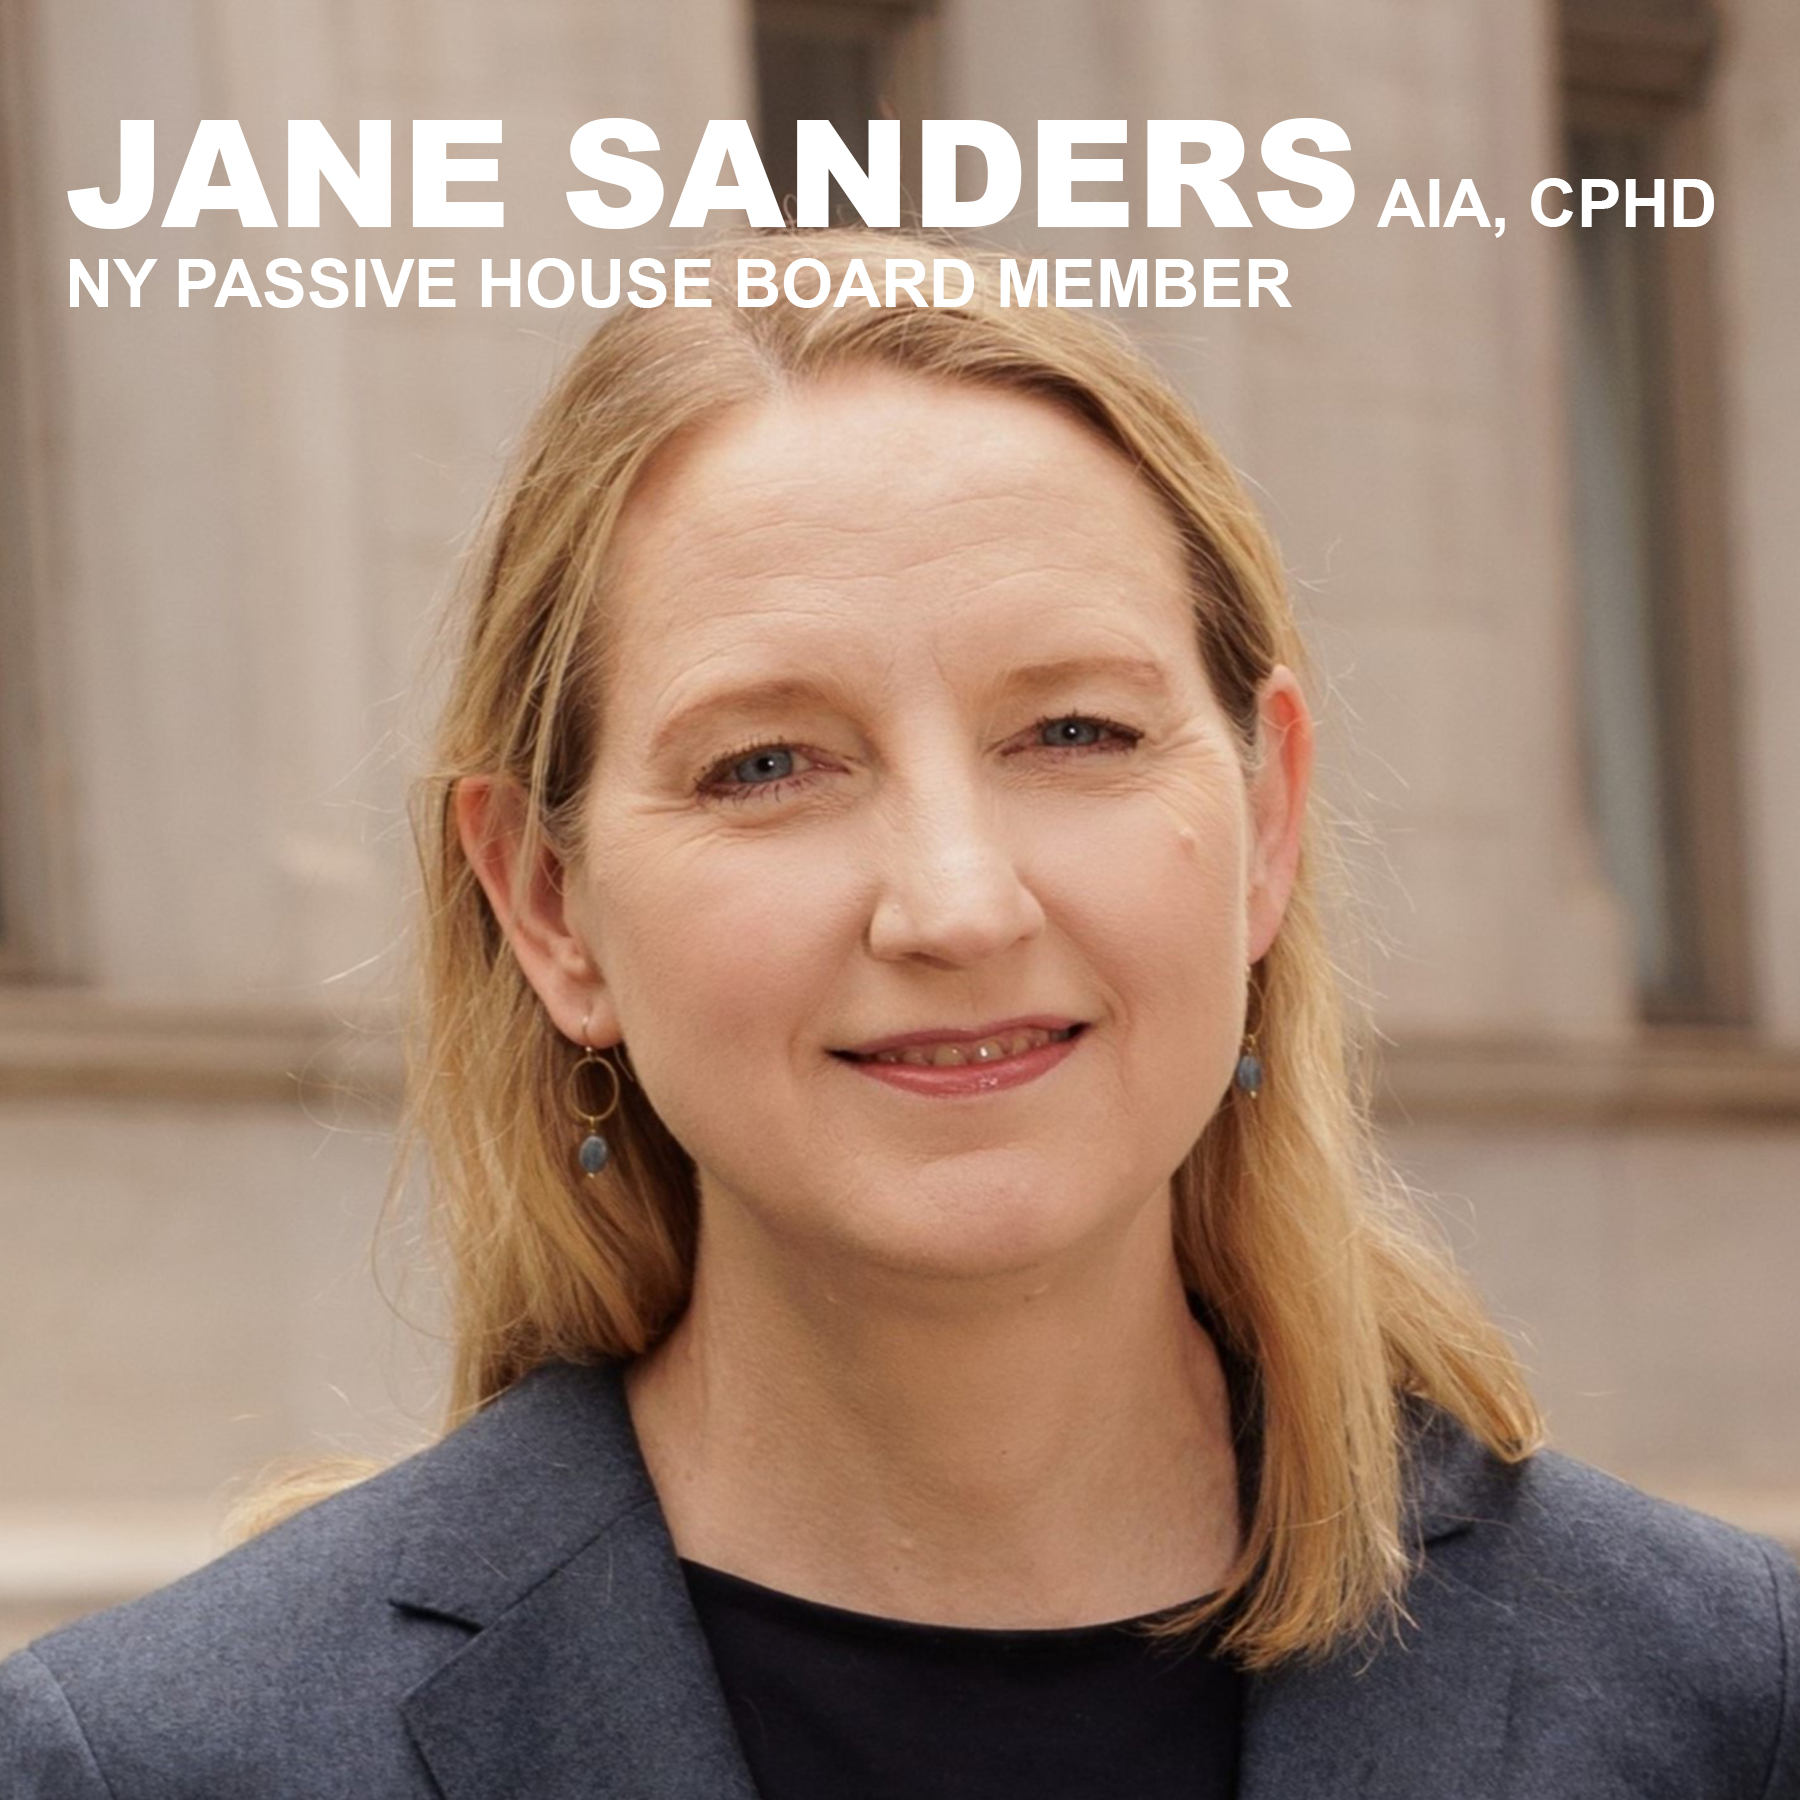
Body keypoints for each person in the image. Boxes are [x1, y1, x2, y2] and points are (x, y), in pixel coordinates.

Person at [3, 229, 1796, 1799]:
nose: (955, 902)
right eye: (768, 762)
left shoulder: (1734, 1706)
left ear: (1266, 821)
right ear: (548, 906)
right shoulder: (150, 1760)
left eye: (1074, 732)